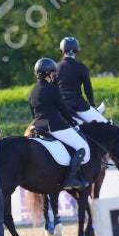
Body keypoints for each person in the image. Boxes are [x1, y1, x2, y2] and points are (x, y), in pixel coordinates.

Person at [30, 57, 90, 190]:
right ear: (49, 73)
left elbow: (33, 113)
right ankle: (71, 178)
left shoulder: (32, 91)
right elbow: (62, 109)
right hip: (54, 126)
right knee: (82, 146)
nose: (54, 75)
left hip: (38, 127)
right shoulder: (53, 89)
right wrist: (72, 122)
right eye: (53, 72)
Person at [55, 36, 108, 124]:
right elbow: (88, 88)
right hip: (78, 104)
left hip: (62, 105)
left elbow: (53, 88)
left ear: (61, 51)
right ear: (76, 51)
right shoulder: (81, 67)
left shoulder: (56, 67)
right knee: (105, 124)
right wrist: (92, 105)